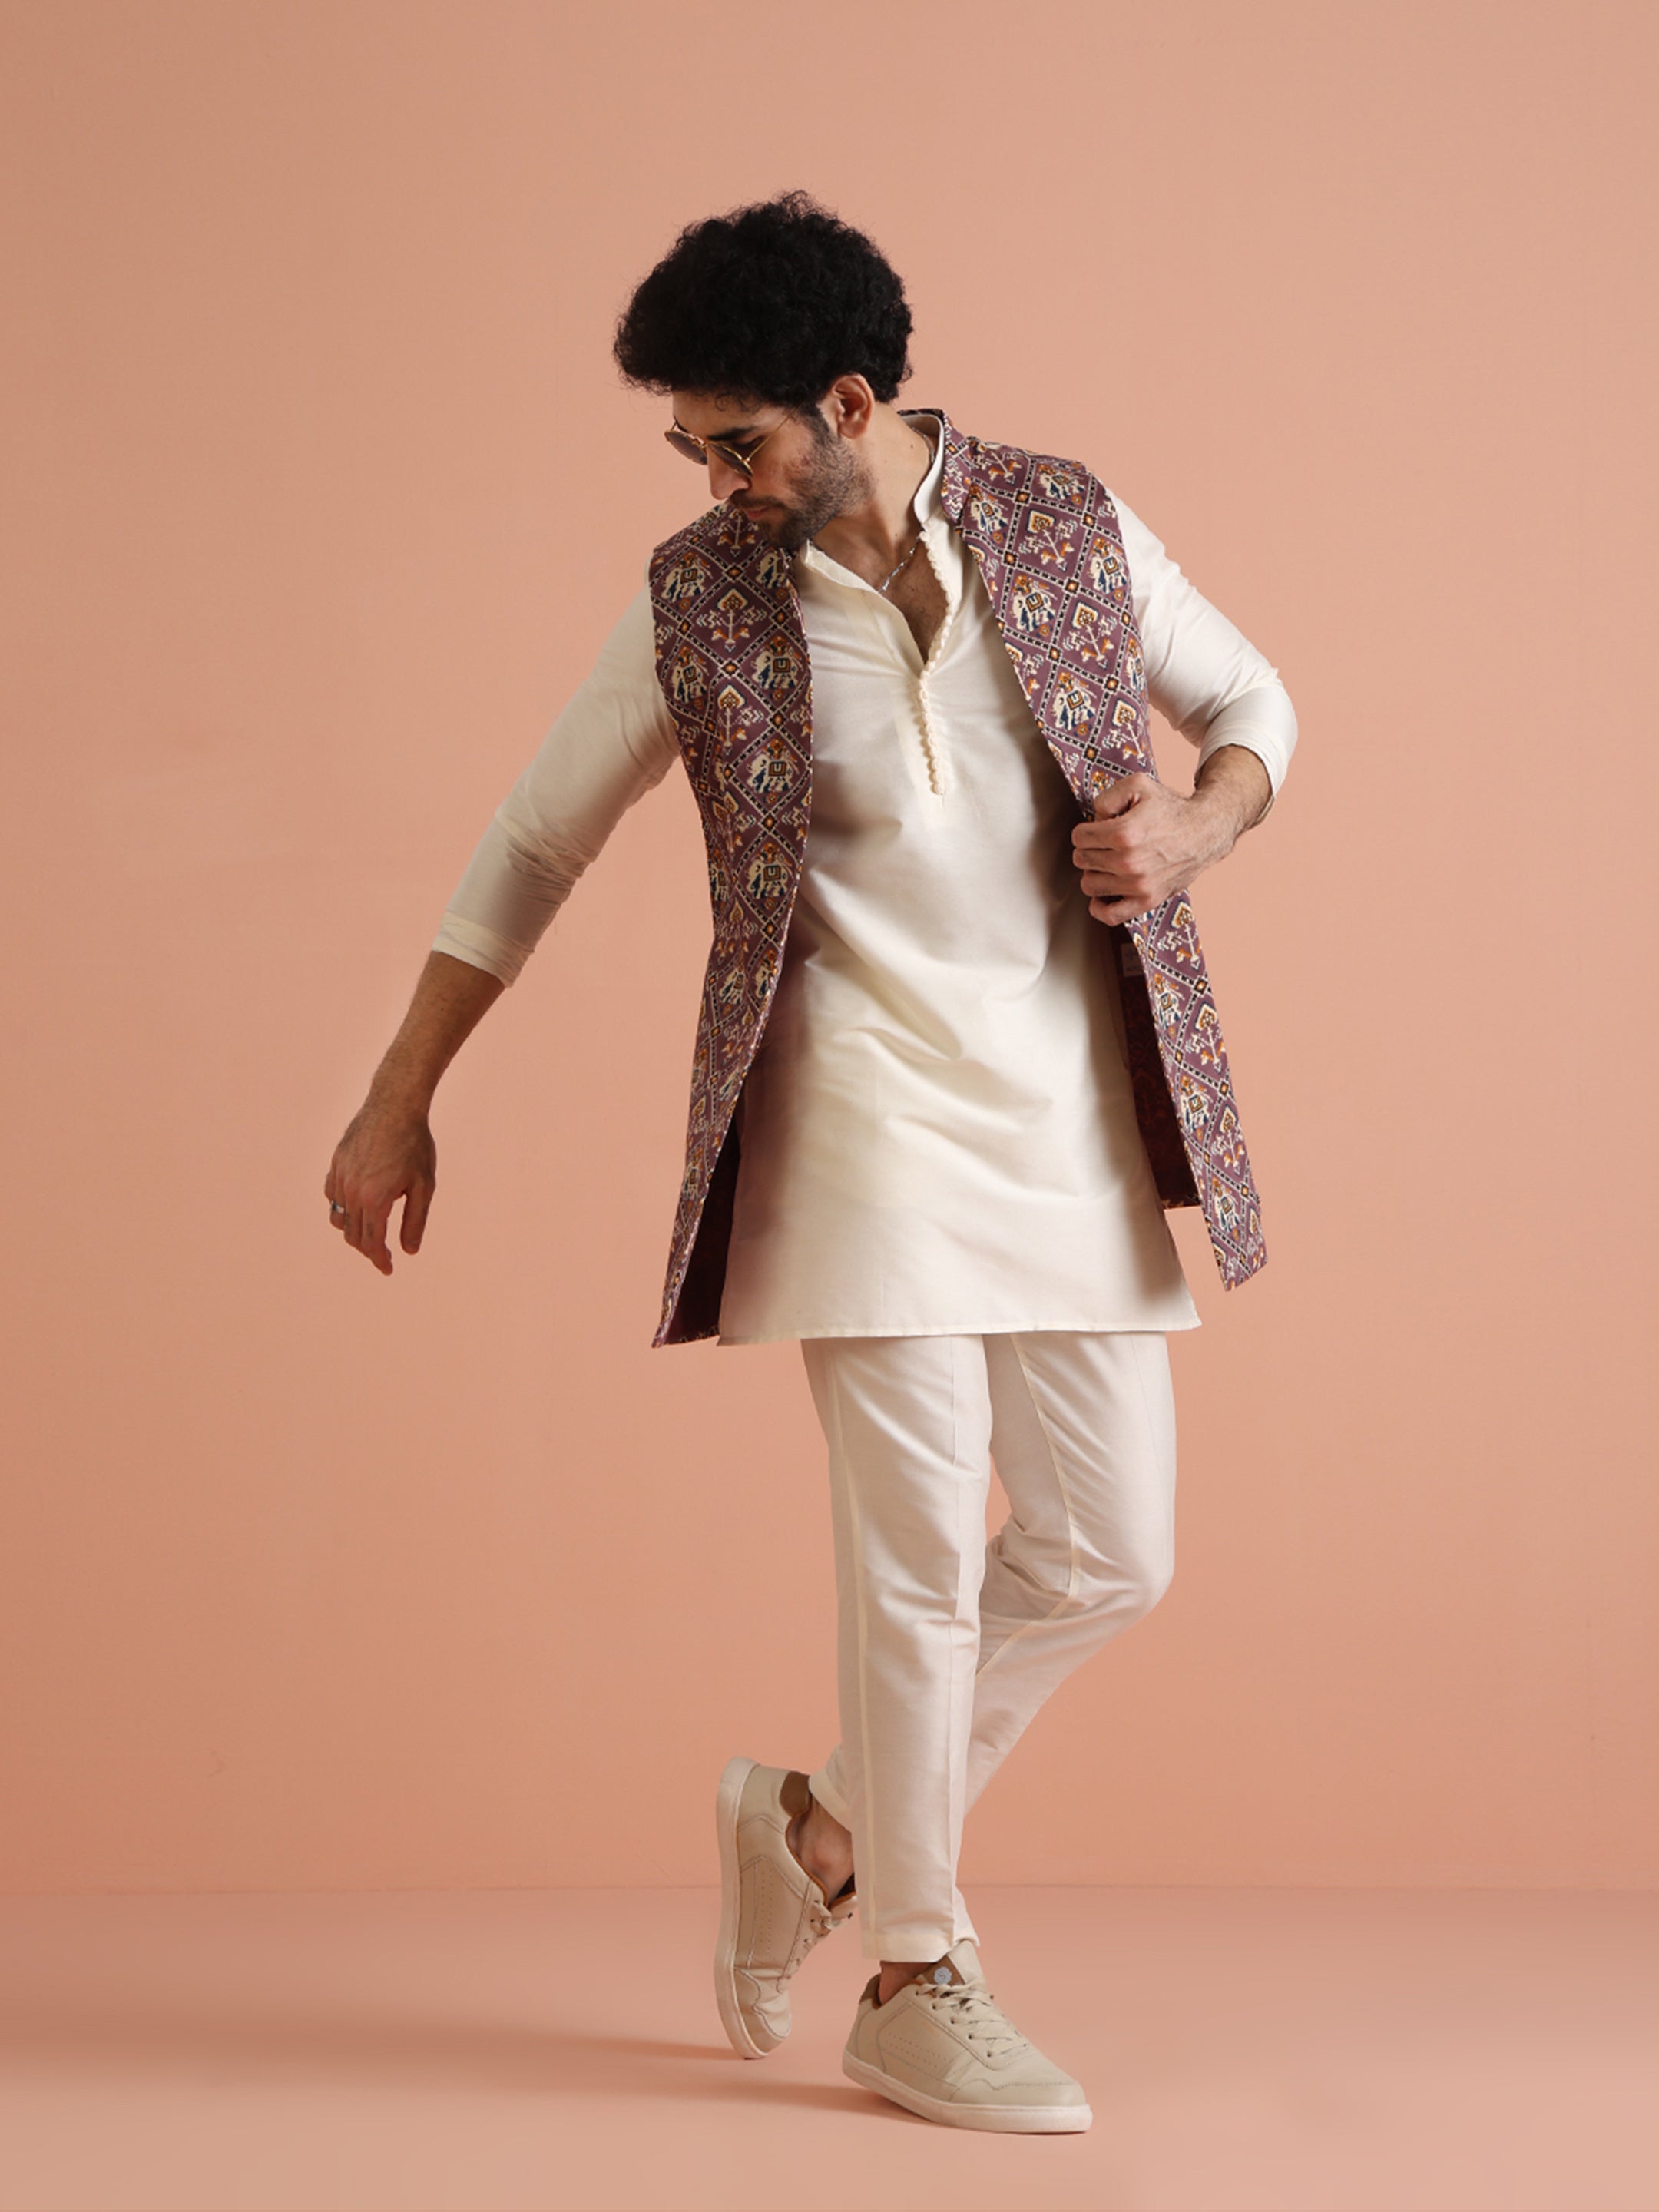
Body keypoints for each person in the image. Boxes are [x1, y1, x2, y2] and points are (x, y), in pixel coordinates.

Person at [323, 191, 1296, 2135]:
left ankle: (818, 1829)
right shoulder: (703, 596)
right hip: (852, 1118)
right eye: (690, 447)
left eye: (739, 441)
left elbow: (1257, 709)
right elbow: (535, 841)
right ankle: (918, 1975)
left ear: (852, 403)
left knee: (1113, 1551)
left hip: (1068, 1116)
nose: (716, 482)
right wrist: (397, 1091)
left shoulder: (1067, 523)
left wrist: (1197, 829)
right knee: (915, 1559)